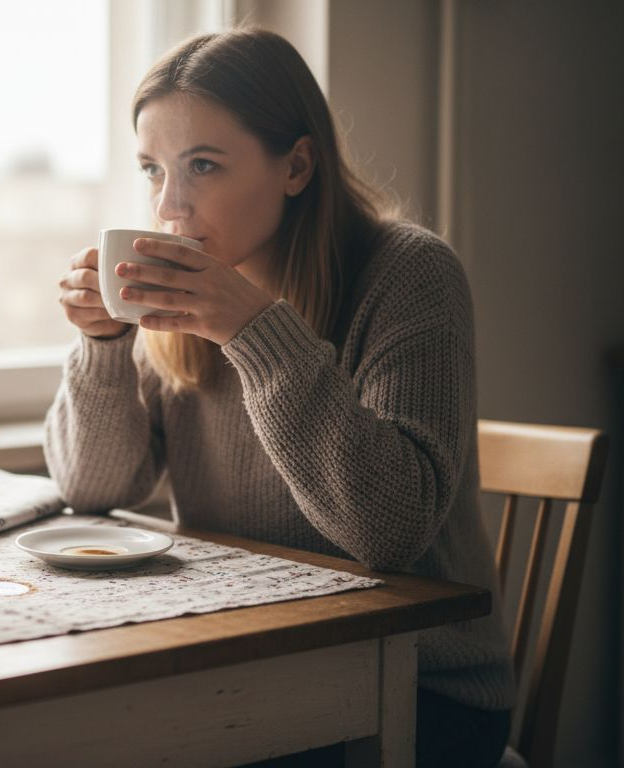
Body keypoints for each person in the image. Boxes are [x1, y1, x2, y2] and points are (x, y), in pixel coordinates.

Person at [45, 28, 514, 768]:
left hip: (420, 686)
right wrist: (102, 345)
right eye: (153, 170)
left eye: (202, 166)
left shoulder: (409, 273)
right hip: (247, 658)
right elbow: (92, 488)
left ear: (296, 166)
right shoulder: (183, 305)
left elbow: (389, 532)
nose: (169, 205)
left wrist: (255, 331)